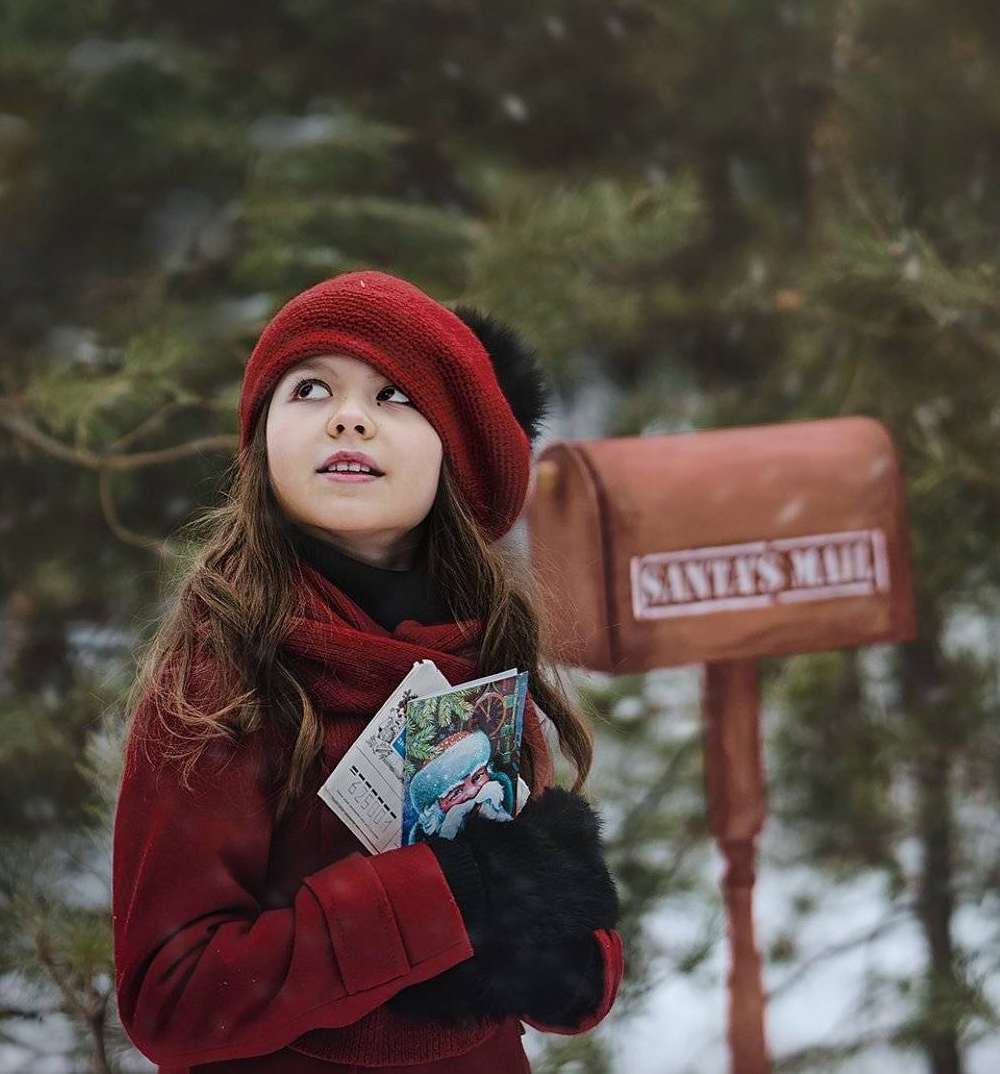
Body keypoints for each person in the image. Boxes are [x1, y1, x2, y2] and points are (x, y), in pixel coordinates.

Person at [111, 270, 624, 1073]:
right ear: (263, 442)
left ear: (456, 453)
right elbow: (171, 999)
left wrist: (565, 944)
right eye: (310, 388)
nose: (349, 416)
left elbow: (539, 959)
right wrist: (443, 895)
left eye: (396, 395)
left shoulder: (483, 652)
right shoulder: (218, 681)